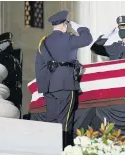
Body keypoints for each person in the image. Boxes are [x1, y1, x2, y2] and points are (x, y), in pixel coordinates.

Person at [35, 10, 93, 150]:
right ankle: (65, 150)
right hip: (65, 84)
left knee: (52, 121)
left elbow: (39, 65)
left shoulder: (44, 42)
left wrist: (44, 87)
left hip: (49, 86)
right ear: (64, 25)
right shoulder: (68, 38)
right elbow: (87, 39)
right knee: (65, 121)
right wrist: (80, 27)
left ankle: (51, 150)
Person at [0, 32, 23, 116]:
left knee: (16, 112)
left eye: (10, 43)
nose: (10, 45)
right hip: (7, 88)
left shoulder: (14, 58)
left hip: (16, 90)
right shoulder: (0, 55)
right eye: (7, 43)